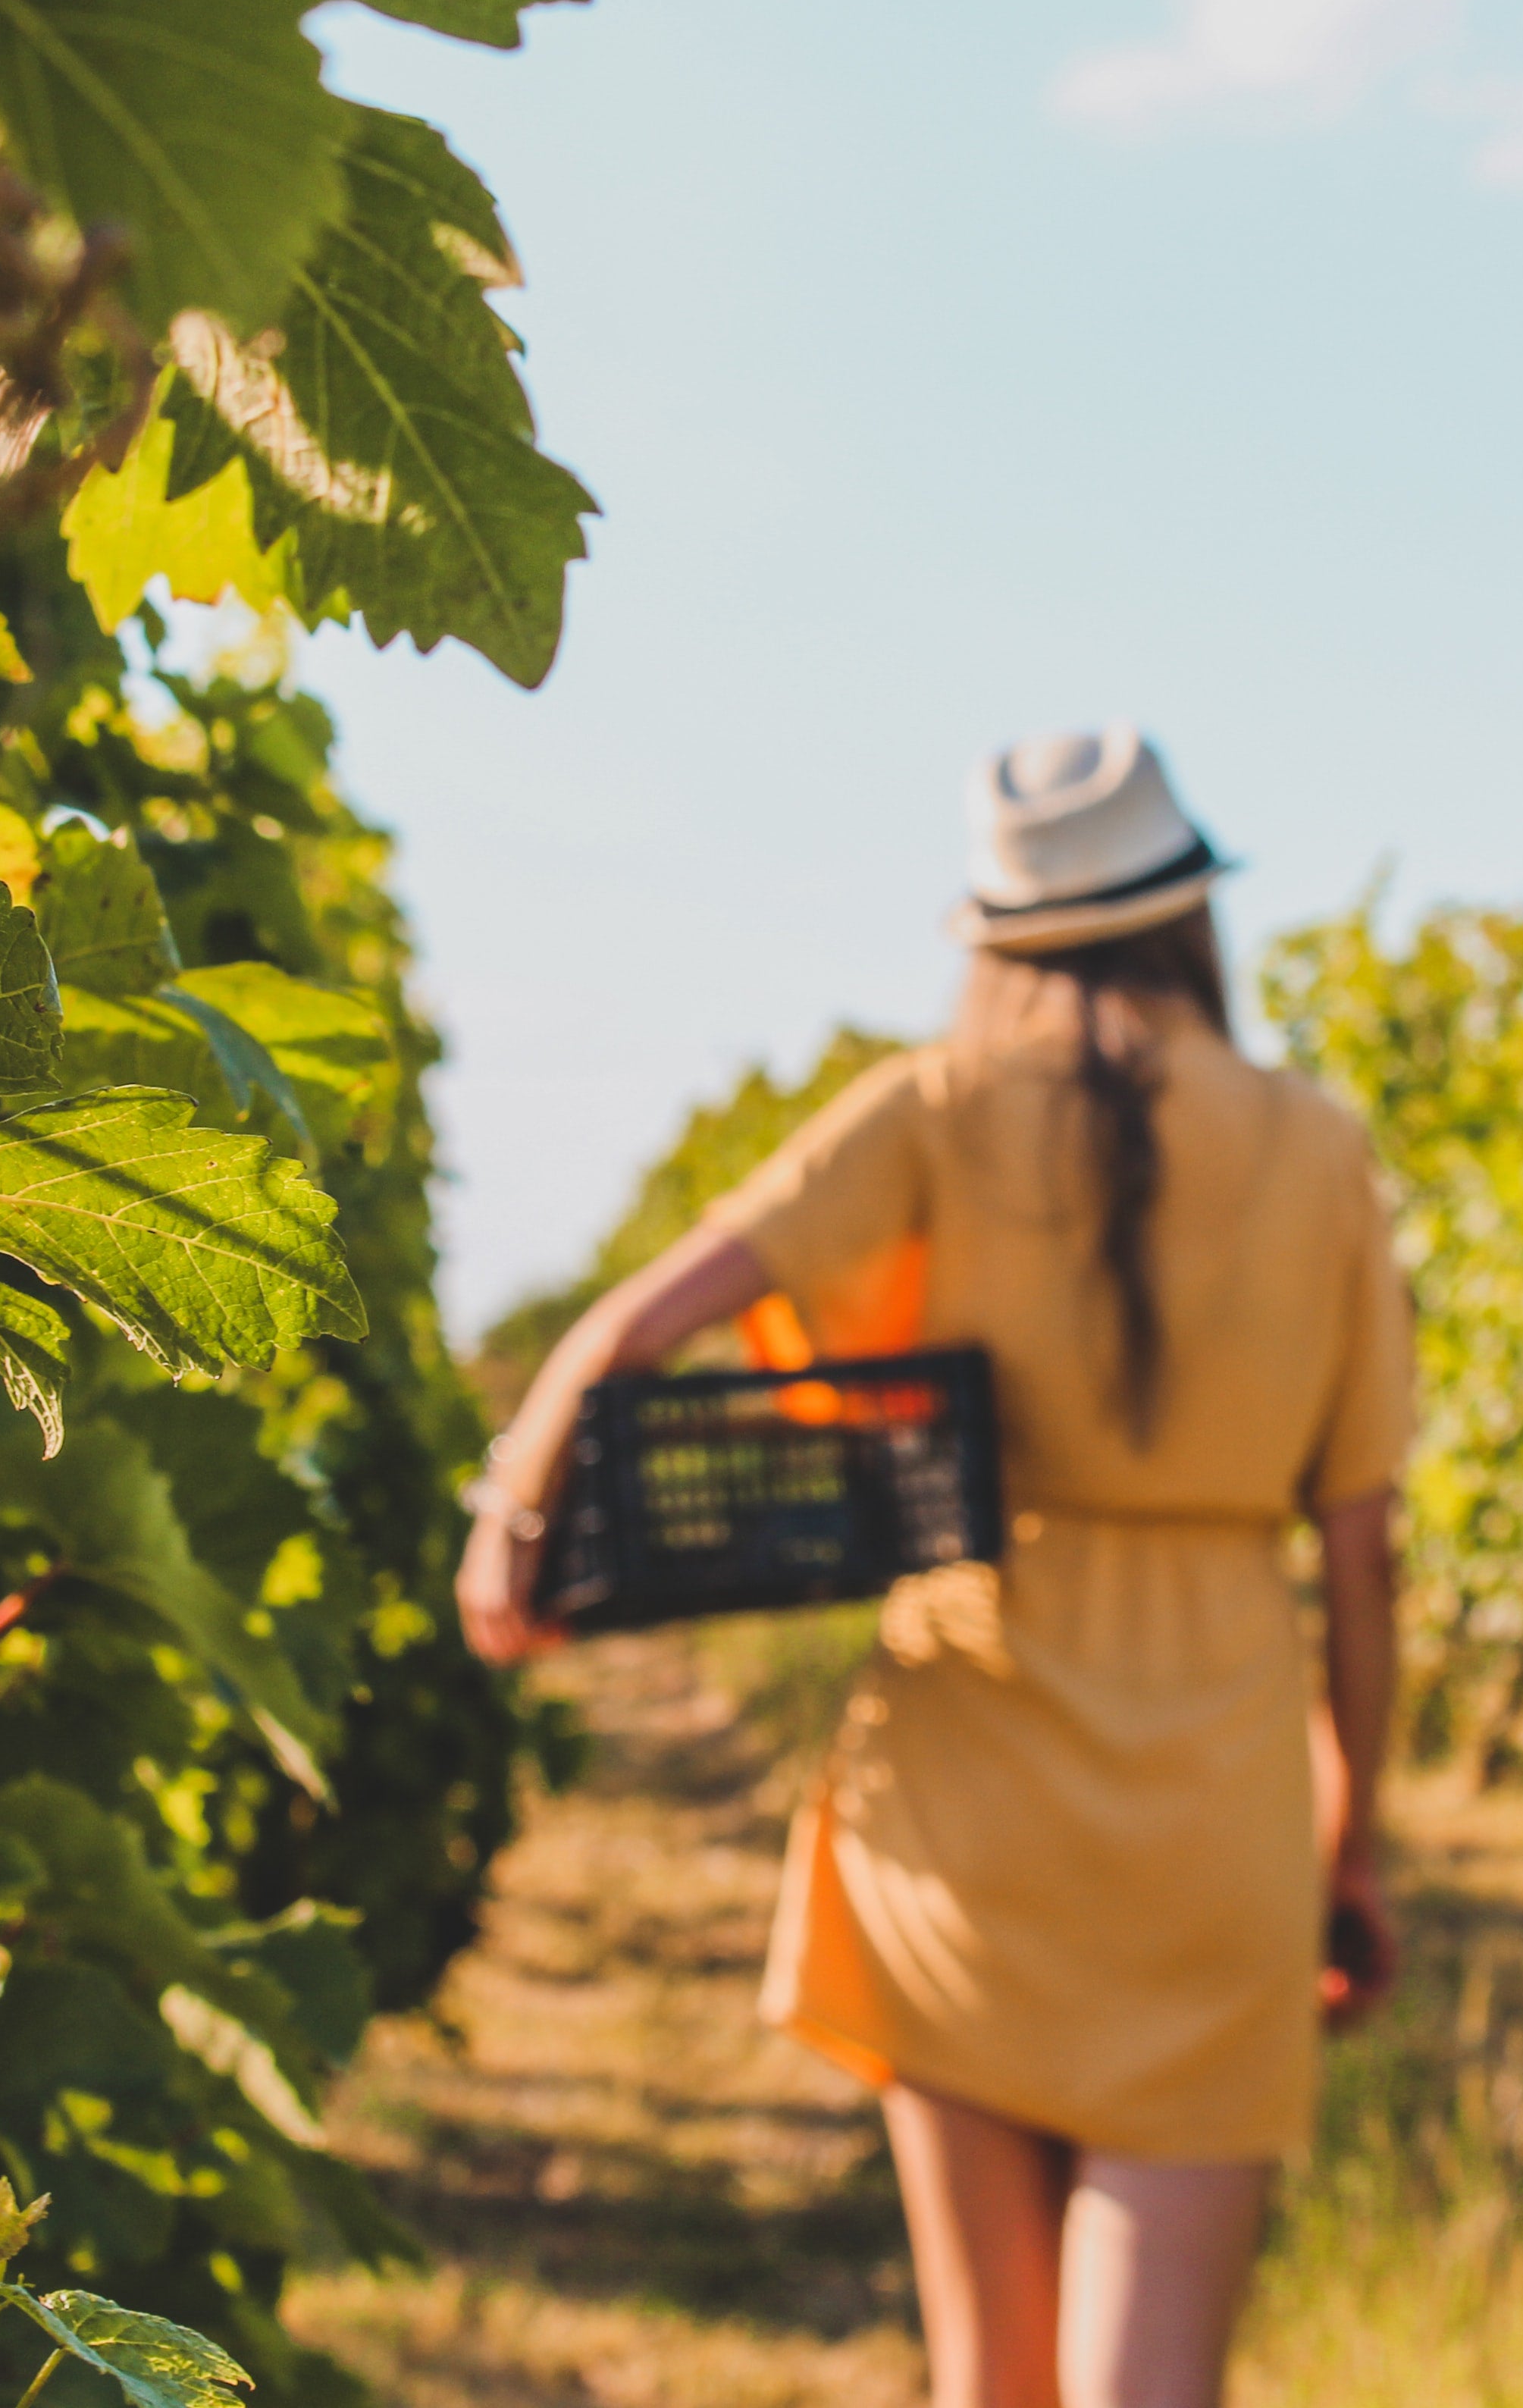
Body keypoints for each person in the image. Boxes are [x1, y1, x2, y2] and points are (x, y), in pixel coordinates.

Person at [459, 726, 1416, 2408]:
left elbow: (625, 1333)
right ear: (1192, 916)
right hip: (1216, 1816)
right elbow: (1363, 1558)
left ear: (999, 933)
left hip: (967, 1791)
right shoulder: (1321, 1150)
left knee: (993, 2378)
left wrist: (515, 1521)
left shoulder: (932, 1110)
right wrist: (1354, 1845)